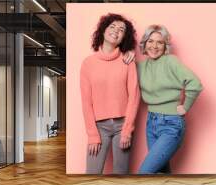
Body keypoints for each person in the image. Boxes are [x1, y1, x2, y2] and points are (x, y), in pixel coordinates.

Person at [137, 25, 203, 174]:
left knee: (145, 173)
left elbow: (195, 84)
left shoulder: (171, 61)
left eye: (159, 42)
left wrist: (185, 106)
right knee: (161, 173)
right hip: (151, 123)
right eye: (150, 41)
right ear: (144, 43)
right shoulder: (140, 67)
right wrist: (126, 55)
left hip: (171, 124)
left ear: (165, 46)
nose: (154, 46)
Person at [80, 13, 140, 174]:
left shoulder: (128, 61)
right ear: (103, 30)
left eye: (121, 29)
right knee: (91, 174)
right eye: (112, 26)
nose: (116, 31)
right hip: (99, 127)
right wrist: (92, 134)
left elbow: (134, 98)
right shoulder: (88, 63)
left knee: (121, 175)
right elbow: (86, 102)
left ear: (124, 37)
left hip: (123, 126)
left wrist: (127, 130)